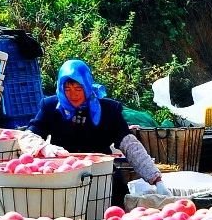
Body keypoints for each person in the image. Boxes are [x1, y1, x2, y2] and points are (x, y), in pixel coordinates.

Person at [28, 59, 169, 197]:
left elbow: (129, 144)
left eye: (78, 88)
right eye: (67, 89)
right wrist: (43, 147)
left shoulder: (109, 110)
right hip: (63, 178)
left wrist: (156, 179)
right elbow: (30, 135)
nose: (73, 94)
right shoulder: (50, 107)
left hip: (102, 177)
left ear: (87, 86)